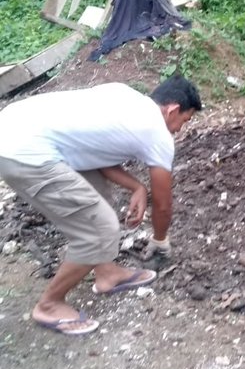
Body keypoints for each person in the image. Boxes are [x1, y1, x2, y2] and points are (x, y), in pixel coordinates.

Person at [0, 75, 202, 334]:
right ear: (172, 110)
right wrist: (160, 240)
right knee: (100, 229)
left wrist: (136, 187)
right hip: (24, 153)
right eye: (183, 121)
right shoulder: (157, 133)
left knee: (99, 195)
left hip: (15, 127)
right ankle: (49, 305)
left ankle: (107, 274)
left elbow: (92, 149)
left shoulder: (125, 95)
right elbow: (163, 204)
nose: (179, 129)